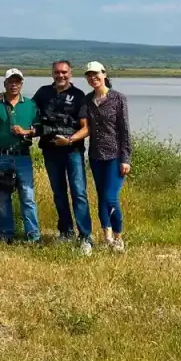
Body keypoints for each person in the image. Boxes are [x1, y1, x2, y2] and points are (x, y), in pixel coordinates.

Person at [32, 60, 93, 256]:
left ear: (70, 73)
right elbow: (27, 111)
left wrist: (69, 139)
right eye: (57, 72)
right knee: (58, 193)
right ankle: (66, 232)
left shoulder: (79, 95)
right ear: (52, 73)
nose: (61, 75)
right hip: (50, 151)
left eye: (64, 72)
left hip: (72, 151)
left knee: (79, 193)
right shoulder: (43, 93)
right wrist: (2, 98)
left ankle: (85, 237)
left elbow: (86, 128)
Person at [74, 61, 132, 252]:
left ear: (104, 74)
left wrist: (126, 159)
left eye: (96, 74)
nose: (93, 78)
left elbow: (125, 130)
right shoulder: (88, 100)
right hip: (96, 156)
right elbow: (84, 126)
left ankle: (118, 236)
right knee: (101, 197)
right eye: (89, 75)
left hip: (115, 156)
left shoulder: (118, 98)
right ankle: (106, 236)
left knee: (111, 197)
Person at [0, 68, 41, 244]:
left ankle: (33, 236)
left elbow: (38, 129)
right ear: (5, 84)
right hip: (2, 156)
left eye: (17, 81)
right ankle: (6, 235)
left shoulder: (30, 105)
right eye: (11, 81)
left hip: (23, 156)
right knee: (3, 197)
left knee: (28, 196)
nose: (14, 85)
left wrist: (26, 131)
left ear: (21, 84)